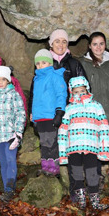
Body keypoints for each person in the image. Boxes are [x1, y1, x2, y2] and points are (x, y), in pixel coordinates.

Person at [78, 32, 109, 188]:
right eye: (95, 44)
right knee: (95, 145)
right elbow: (80, 88)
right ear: (90, 46)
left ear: (105, 45)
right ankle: (96, 176)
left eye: (101, 44)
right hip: (92, 112)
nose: (98, 47)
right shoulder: (83, 64)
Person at [58, 76, 109, 210]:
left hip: (91, 146)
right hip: (73, 147)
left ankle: (95, 200)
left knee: (92, 173)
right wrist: (63, 153)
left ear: (87, 90)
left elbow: (104, 128)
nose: (79, 94)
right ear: (71, 92)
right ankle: (81, 199)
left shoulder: (96, 106)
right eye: (76, 91)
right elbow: (63, 131)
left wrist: (104, 150)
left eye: (82, 90)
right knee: (76, 173)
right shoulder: (69, 109)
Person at [0, 66, 26, 203]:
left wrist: (18, 133)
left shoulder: (14, 95)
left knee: (10, 160)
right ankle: (6, 189)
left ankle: (9, 189)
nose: (1, 82)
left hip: (10, 135)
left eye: (4, 79)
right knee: (3, 163)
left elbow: (20, 114)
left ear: (8, 80)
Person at [29, 49, 67, 177]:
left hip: (51, 116)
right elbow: (35, 99)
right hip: (40, 117)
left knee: (51, 142)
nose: (40, 66)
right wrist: (33, 117)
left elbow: (61, 94)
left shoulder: (55, 76)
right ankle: (46, 167)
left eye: (44, 63)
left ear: (50, 63)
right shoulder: (37, 79)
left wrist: (59, 113)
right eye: (38, 64)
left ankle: (54, 169)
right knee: (43, 143)